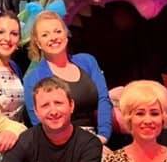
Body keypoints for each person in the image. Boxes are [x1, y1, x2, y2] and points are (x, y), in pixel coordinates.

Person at [23, 9, 112, 141]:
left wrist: (103, 136)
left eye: (58, 31)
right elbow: (39, 122)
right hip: (60, 143)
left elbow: (103, 99)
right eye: (45, 35)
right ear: (38, 43)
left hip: (96, 138)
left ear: (66, 34)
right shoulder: (33, 78)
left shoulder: (87, 61)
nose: (53, 37)